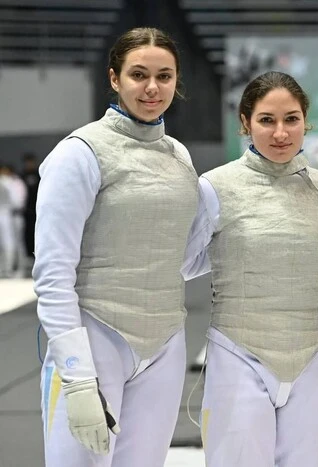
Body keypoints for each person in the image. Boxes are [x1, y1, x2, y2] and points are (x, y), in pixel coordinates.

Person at [34, 27, 199, 466]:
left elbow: (178, 255)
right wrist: (77, 375)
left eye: (164, 76)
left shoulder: (179, 156)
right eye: (138, 74)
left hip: (165, 343)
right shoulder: (80, 153)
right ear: (114, 78)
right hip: (95, 338)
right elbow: (52, 274)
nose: (152, 87)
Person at [181, 71, 318, 467]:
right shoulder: (214, 187)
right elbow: (186, 263)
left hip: (314, 359)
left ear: (305, 121)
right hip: (237, 355)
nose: (280, 132)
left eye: (291, 119)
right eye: (267, 120)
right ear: (246, 122)